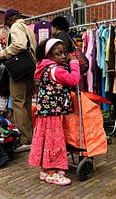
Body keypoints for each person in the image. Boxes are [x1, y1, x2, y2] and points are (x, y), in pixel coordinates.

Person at [28, 38, 80, 186]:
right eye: (59, 53)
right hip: (51, 112)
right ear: (49, 56)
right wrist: (74, 64)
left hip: (45, 112)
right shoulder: (55, 69)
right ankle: (52, 173)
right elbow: (73, 80)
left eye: (65, 53)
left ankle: (45, 170)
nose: (64, 56)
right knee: (53, 141)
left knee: (46, 140)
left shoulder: (45, 68)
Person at [0, 8, 37, 151]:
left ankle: (25, 139)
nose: (7, 25)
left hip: (19, 70)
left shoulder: (15, 26)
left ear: (10, 19)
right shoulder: (27, 28)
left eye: (6, 22)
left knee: (18, 102)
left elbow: (19, 45)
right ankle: (31, 136)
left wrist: (3, 53)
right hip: (29, 68)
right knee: (26, 102)